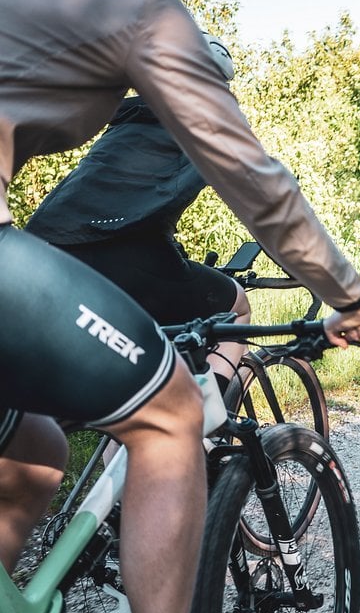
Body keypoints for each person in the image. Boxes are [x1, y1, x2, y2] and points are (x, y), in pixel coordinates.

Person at [0, 0, 360, 613]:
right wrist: (349, 295)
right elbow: (252, 177)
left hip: (46, 248)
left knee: (36, 450)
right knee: (168, 412)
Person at [25, 33, 251, 395]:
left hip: (40, 252)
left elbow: (123, 197)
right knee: (236, 309)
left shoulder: (126, 120)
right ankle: (210, 408)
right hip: (124, 255)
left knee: (132, 388)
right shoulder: (208, 129)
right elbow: (260, 205)